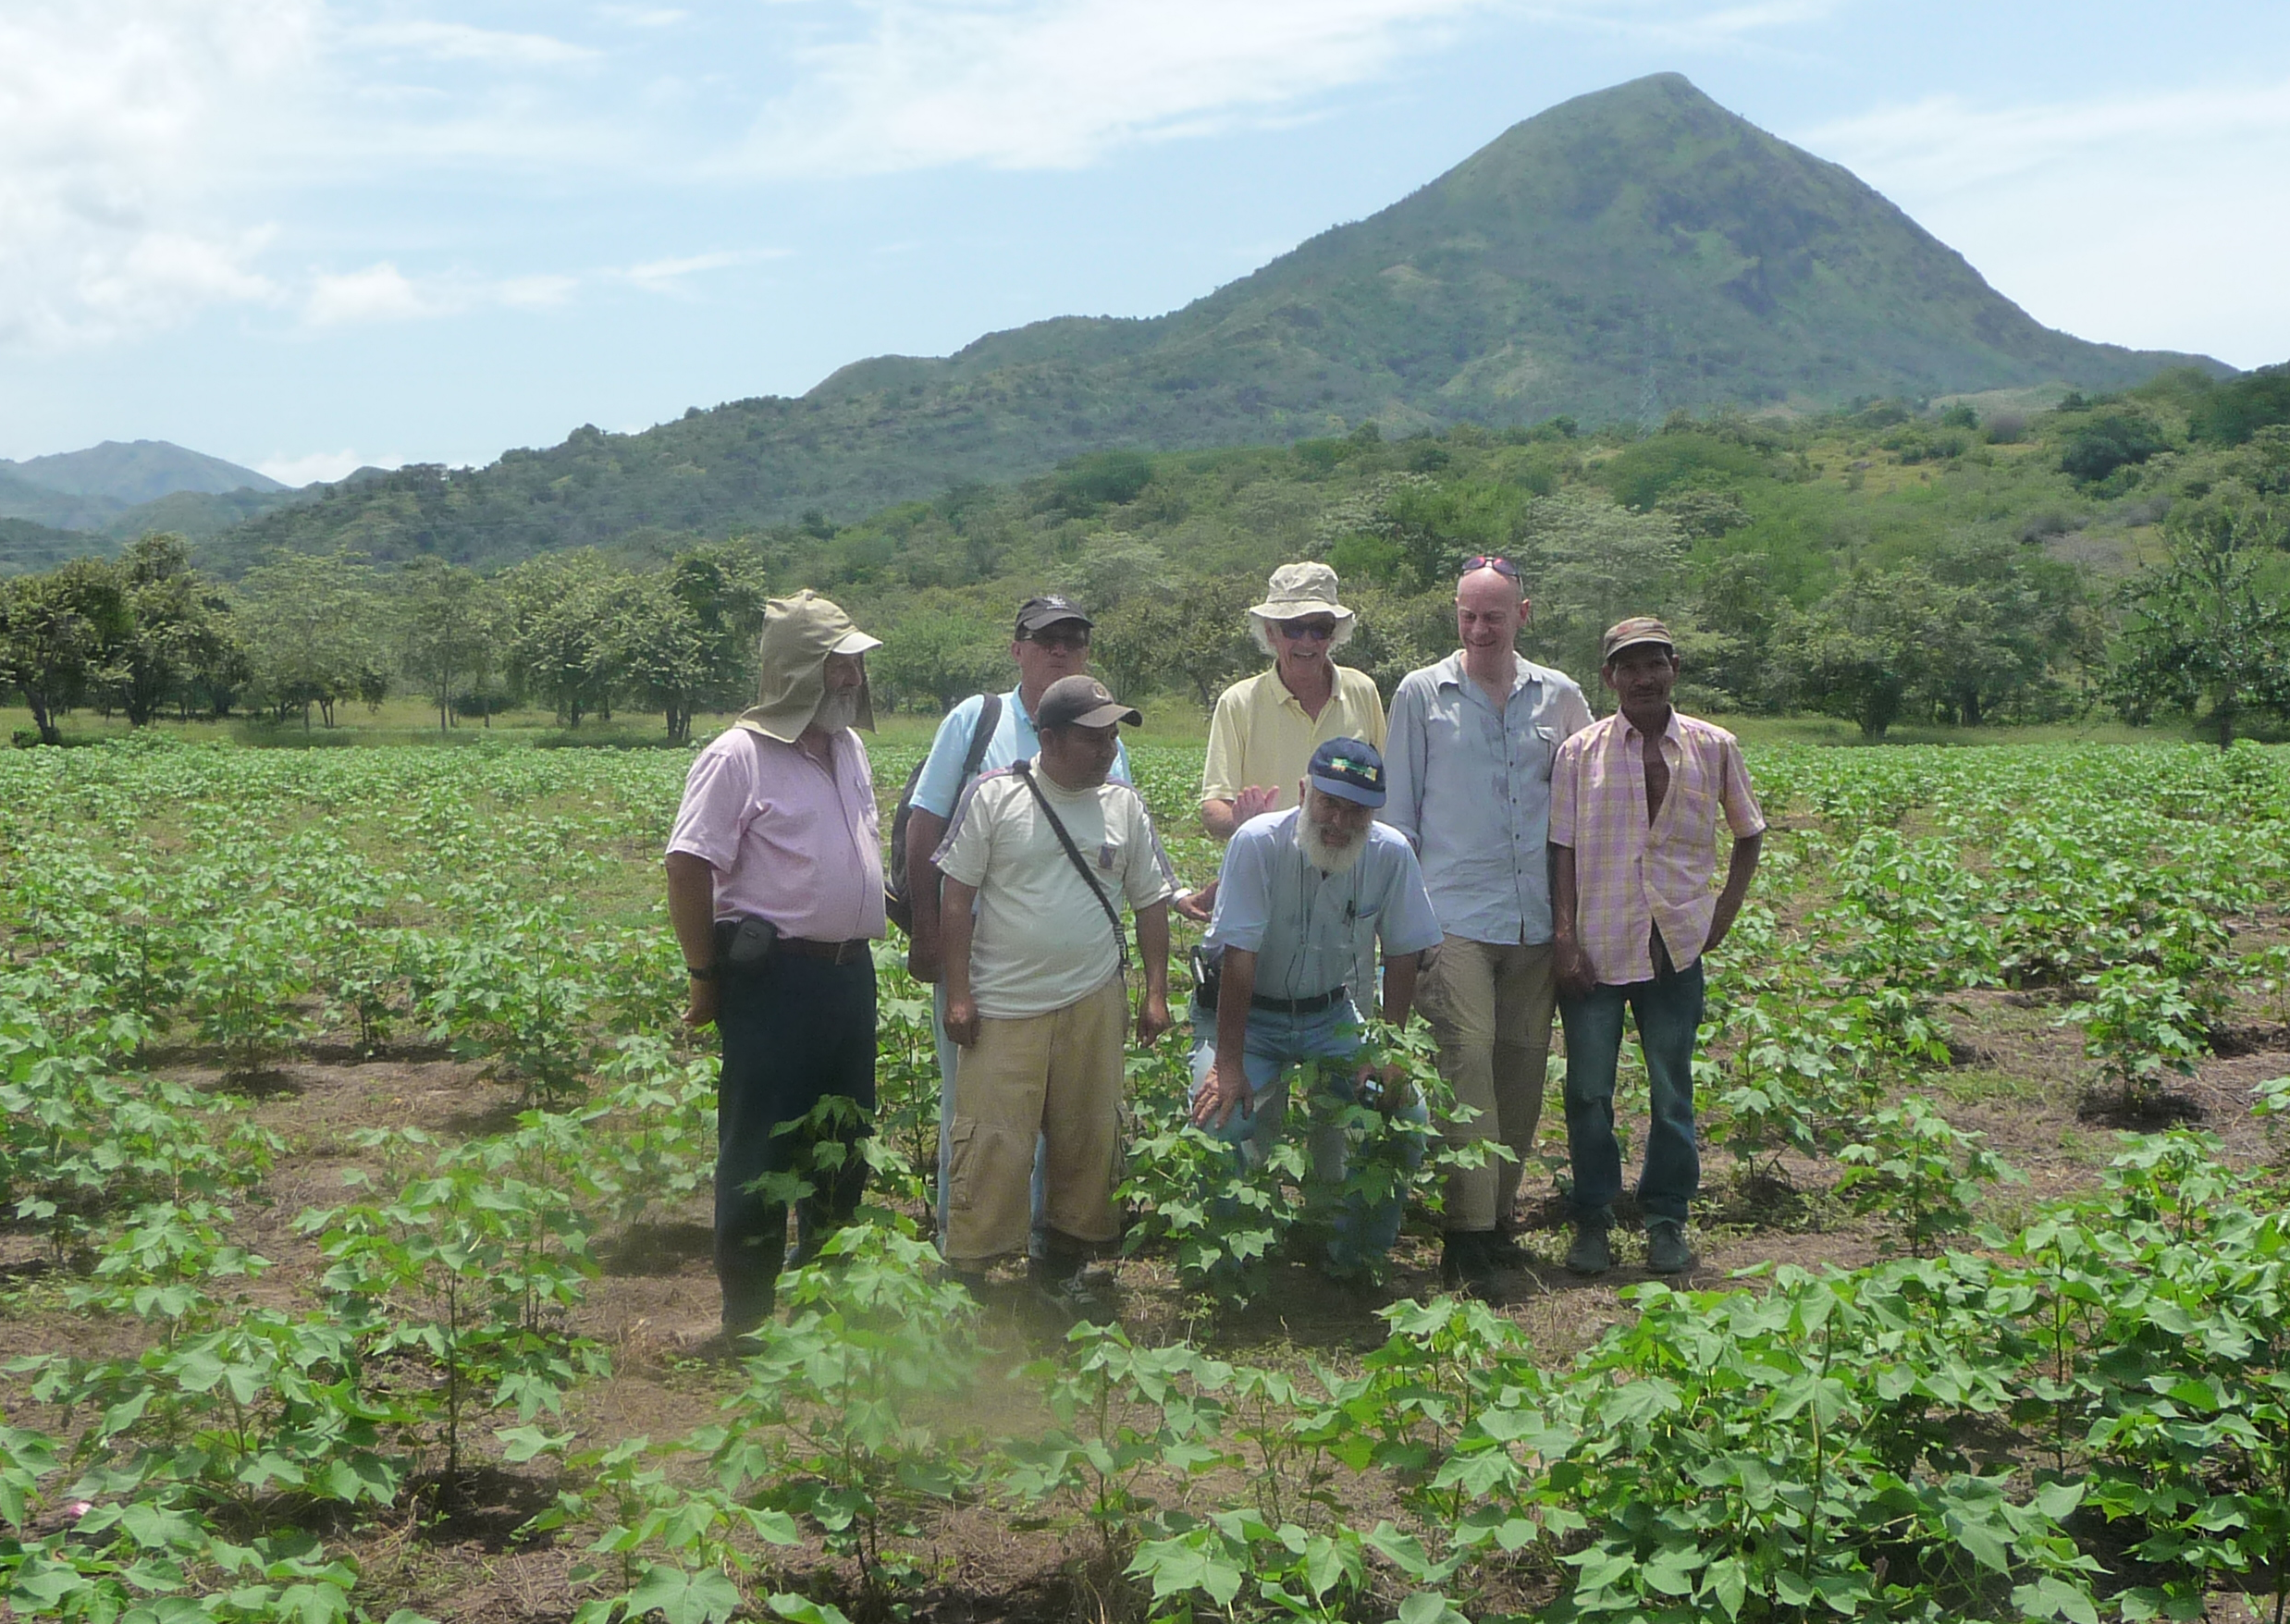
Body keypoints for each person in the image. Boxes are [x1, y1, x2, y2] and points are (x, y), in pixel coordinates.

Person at [664, 590, 887, 1342]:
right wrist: (705, 976)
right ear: (795, 670)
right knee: (761, 1145)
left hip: (849, 977)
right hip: (775, 981)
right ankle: (748, 1320)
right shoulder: (738, 755)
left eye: (854, 662)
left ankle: (826, 1309)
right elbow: (689, 865)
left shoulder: (849, 749)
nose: (852, 677)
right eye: (837, 662)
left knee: (844, 1140)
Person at [1383, 557, 1593, 1301]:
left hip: (1536, 916)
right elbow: (1399, 817)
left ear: (1523, 615)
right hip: (1453, 915)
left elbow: (1582, 810)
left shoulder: (1562, 697)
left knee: (1521, 1069)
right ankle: (1465, 1238)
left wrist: (1575, 921)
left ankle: (1499, 1221)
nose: (1479, 628)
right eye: (1468, 615)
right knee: (1465, 1064)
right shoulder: (1420, 693)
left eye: (1494, 615)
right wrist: (1401, 925)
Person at [903, 595, 1135, 1256]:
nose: (1060, 650)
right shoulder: (980, 720)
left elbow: (1122, 840)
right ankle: (968, 1251)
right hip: (980, 961)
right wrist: (926, 934)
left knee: (1066, 1116)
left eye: (1073, 639)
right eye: (1045, 639)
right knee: (978, 1114)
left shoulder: (1107, 738)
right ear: (1018, 649)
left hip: (1076, 973)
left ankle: (1046, 1252)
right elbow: (925, 827)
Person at [934, 675, 1176, 1311]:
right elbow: (955, 898)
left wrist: (1156, 993)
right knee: (992, 1139)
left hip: (1093, 998)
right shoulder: (995, 798)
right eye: (1093, 737)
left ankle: (1063, 1263)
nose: (1107, 748)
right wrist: (958, 992)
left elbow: (1151, 904)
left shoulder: (1123, 807)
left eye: (1113, 735)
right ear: (1048, 738)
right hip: (1006, 1001)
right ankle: (972, 1275)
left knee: (1087, 1134)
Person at [1550, 617, 1764, 1277]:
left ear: (1674, 668)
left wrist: (1722, 912)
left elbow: (1748, 831)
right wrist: (1564, 936)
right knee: (1588, 1091)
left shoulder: (1713, 745)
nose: (1642, 678)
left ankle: (1667, 1219)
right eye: (1627, 667)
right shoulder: (1579, 752)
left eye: (1654, 664)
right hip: (1598, 946)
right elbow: (1559, 849)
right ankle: (1593, 1219)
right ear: (1609, 677)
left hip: (1675, 945)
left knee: (1673, 1091)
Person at [1188, 739, 1446, 1280]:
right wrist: (1229, 1065)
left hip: (1331, 1021)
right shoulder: (1258, 843)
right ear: (1305, 793)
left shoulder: (1390, 854)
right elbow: (1239, 958)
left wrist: (1389, 1056)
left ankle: (1355, 1258)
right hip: (1247, 1022)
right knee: (1218, 1121)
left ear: (1374, 814)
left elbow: (1402, 955)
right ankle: (1233, 1270)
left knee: (1402, 1116)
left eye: (1356, 810)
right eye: (1328, 802)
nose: (1338, 821)